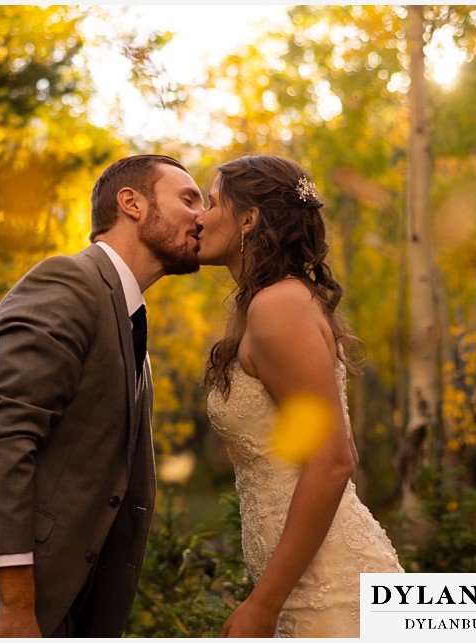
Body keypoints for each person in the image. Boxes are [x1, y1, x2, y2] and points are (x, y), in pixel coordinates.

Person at [0, 154, 204, 637]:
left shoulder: (131, 331)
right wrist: (17, 605)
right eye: (188, 199)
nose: (201, 216)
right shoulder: (67, 284)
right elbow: (2, 441)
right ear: (132, 203)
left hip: (57, 612)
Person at [196, 155, 403, 638]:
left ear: (249, 219)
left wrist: (262, 605)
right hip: (301, 588)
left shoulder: (279, 307)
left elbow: (333, 458)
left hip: (330, 592)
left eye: (210, 202)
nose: (199, 218)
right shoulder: (269, 303)